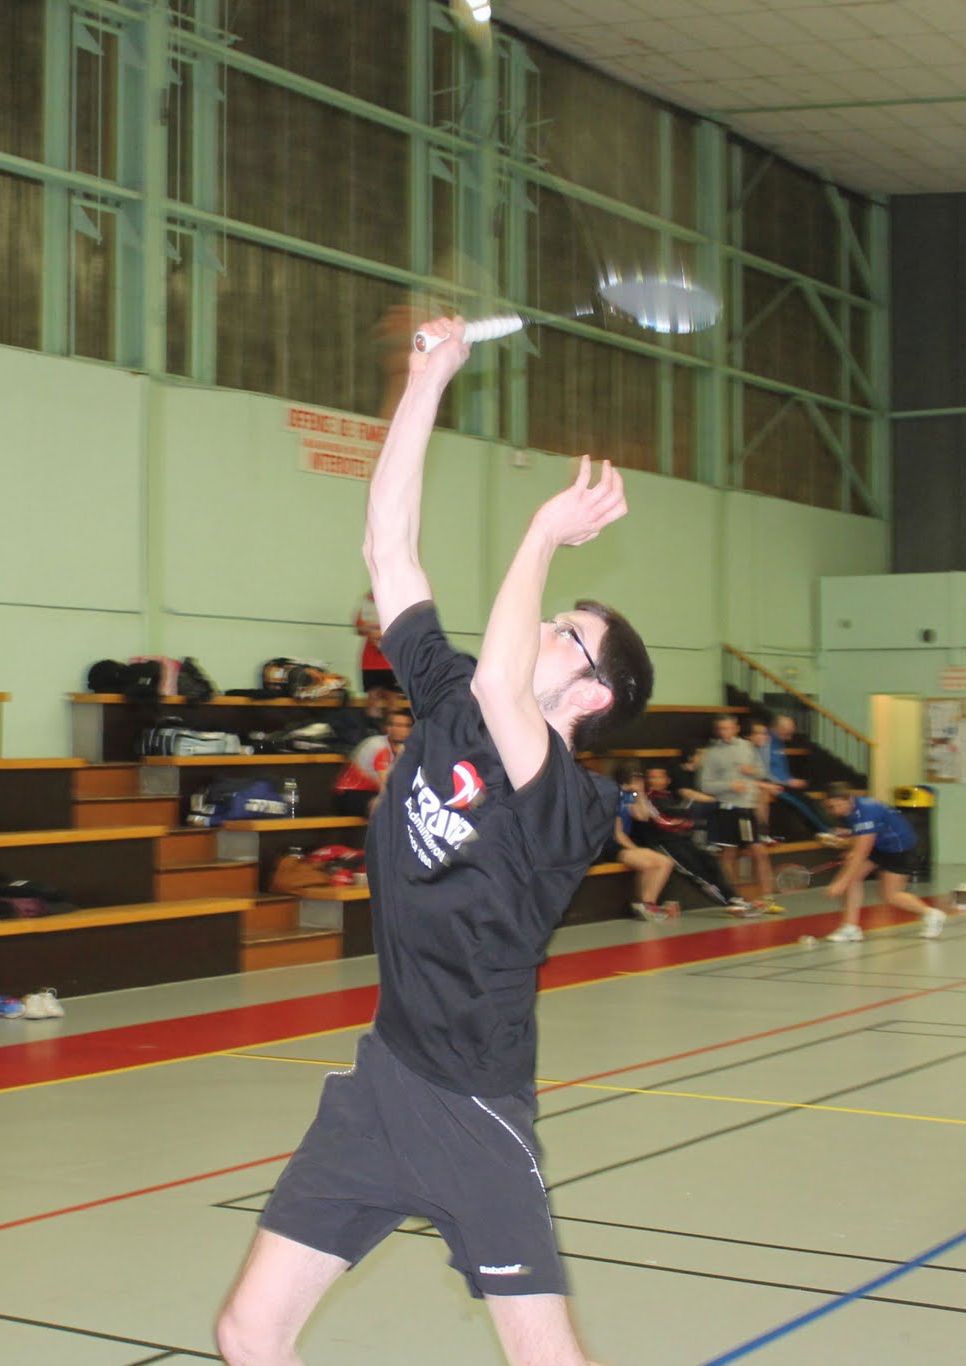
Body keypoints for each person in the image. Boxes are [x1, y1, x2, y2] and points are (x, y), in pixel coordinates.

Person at [216, 317, 651, 1366]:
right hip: (384, 1081)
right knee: (248, 1332)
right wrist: (427, 381)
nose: (545, 625)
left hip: (471, 1104)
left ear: (592, 693)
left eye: (568, 633)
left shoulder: (569, 802)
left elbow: (508, 687)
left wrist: (541, 534)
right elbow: (388, 547)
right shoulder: (451, 698)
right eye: (554, 616)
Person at [817, 784, 945, 943]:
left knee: (890, 895)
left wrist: (841, 883)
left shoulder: (867, 811)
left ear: (848, 799)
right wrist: (848, 845)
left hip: (899, 848)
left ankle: (932, 914)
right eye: (831, 807)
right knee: (853, 876)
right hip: (881, 845)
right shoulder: (851, 809)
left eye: (837, 805)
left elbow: (862, 852)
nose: (835, 811)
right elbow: (862, 839)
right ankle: (850, 928)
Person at [631, 762, 748, 912]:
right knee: (696, 872)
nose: (656, 780)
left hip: (681, 840)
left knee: (710, 862)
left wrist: (690, 822)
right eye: (652, 777)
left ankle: (734, 897)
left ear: (667, 780)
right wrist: (688, 823)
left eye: (660, 777)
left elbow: (685, 814)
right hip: (664, 844)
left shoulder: (669, 797)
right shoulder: (647, 798)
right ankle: (729, 902)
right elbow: (664, 822)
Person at [698, 714, 770, 900]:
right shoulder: (712, 753)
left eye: (728, 728)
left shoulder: (748, 747)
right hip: (727, 808)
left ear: (736, 728)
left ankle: (768, 897)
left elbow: (762, 772)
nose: (725, 732)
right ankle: (734, 898)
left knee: (759, 851)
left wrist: (751, 771)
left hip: (747, 808)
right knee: (729, 853)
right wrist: (729, 786)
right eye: (721, 729)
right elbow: (705, 785)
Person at [611, 767, 677, 921]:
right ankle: (646, 905)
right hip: (610, 844)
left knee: (666, 862)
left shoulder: (629, 796)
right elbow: (618, 834)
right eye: (637, 780)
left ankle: (648, 904)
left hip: (625, 842)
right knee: (648, 864)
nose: (640, 783)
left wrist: (640, 794)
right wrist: (636, 850)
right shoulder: (613, 797)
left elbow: (643, 816)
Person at [330, 709, 411, 819]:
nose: (401, 730)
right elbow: (386, 787)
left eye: (405, 726)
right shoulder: (378, 746)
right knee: (384, 806)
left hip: (374, 793)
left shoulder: (404, 750)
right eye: (396, 725)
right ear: (387, 728)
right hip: (349, 793)